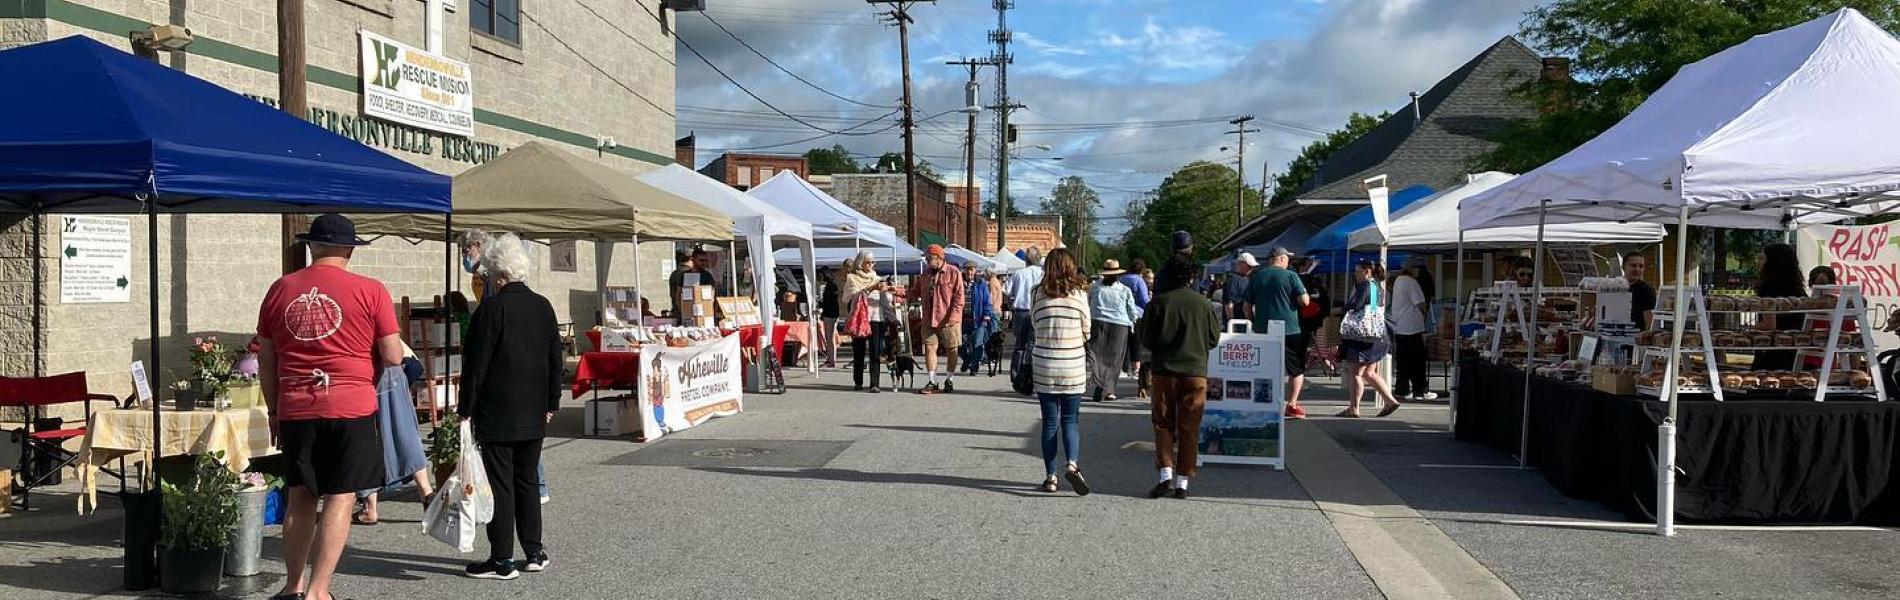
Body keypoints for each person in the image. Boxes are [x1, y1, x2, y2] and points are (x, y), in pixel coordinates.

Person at [257, 214, 404, 600]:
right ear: (350, 249)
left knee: (301, 496)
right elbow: (391, 354)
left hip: (295, 405)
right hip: (351, 405)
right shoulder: (371, 290)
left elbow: (266, 361)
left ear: (312, 246)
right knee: (341, 496)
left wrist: (274, 411)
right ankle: (319, 591)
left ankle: (293, 586)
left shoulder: (279, 289)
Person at [456, 233, 563, 580]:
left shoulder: (491, 309)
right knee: (527, 480)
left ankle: (502, 558)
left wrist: (465, 410)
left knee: (501, 483)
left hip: (498, 410)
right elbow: (554, 359)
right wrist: (552, 401)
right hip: (534, 410)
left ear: (499, 274)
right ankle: (534, 551)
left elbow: (476, 364)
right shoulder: (543, 306)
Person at [1137, 255, 1222, 499]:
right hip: (1196, 372)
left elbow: (1147, 338)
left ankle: (1165, 474)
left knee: (1163, 423)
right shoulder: (1203, 304)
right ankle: (1184, 481)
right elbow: (1213, 339)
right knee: (1189, 426)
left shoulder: (1158, 303)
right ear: (1192, 277)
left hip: (1165, 371)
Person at [1029, 248, 1092, 495]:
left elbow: (1034, 323)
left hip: (1044, 363)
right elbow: (1087, 329)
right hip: (1072, 364)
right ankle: (1073, 465)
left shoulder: (1036, 293)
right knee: (1070, 420)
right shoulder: (1079, 295)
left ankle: (1051, 476)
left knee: (1049, 422)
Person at [352, 341, 435, 526]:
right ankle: (426, 492)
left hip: (367, 372)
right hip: (395, 372)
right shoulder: (379, 311)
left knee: (366, 437)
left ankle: (369, 507)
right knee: (405, 430)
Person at [1243, 247, 1312, 420]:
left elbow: (1246, 306)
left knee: (1265, 367)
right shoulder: (1291, 276)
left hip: (1263, 330)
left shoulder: (1256, 277)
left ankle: (1264, 401)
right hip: (1290, 328)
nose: (1289, 261)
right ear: (1281, 259)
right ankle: (1292, 404)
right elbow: (1305, 301)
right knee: (1296, 370)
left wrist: (1254, 321)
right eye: (1287, 258)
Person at [1338, 260, 1403, 418]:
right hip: (1378, 334)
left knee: (1356, 372)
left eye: (1358, 271)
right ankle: (1390, 400)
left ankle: (1354, 408)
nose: (1356, 274)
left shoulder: (1366, 285)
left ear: (1366, 271)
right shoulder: (1378, 287)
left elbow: (1357, 305)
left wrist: (1340, 309)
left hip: (1363, 336)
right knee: (1369, 372)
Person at [907, 245, 966, 394]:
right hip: (928, 318)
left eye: (929, 258)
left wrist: (953, 316)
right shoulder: (925, 274)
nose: (927, 261)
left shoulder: (953, 272)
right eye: (926, 258)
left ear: (939, 257)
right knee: (929, 347)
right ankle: (932, 381)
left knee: (951, 349)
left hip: (948, 318)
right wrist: (897, 291)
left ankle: (949, 379)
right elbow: (915, 292)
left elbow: (959, 297)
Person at [1088, 259, 1139, 402]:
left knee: (1098, 356)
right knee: (1115, 359)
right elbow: (1131, 310)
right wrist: (1134, 322)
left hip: (1097, 322)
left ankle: (1100, 383)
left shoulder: (1095, 287)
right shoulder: (1124, 290)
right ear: (1118, 276)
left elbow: (1087, 303)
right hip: (1119, 325)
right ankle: (1110, 390)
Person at [841, 253, 892, 392]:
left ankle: (874, 383)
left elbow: (884, 301)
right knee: (859, 351)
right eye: (868, 262)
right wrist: (870, 289)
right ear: (861, 263)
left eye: (873, 262)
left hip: (876, 318)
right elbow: (846, 298)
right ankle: (858, 381)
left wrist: (889, 292)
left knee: (876, 352)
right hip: (859, 319)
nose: (871, 265)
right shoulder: (852, 278)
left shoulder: (876, 278)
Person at [1754, 243, 1808, 370]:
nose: (1758, 262)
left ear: (1773, 262)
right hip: (1797, 349)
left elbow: (1770, 325)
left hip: (1772, 351)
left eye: (1762, 258)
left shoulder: (1768, 289)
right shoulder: (1798, 290)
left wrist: (1749, 329)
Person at [1389, 258, 1433, 401]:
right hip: (1413, 327)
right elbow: (1420, 303)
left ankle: (1402, 389)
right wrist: (1424, 313)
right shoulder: (1411, 282)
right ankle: (1419, 390)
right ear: (1413, 269)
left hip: (1400, 326)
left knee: (1403, 361)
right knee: (1417, 360)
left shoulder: (1398, 281)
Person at [1005, 246, 1046, 358]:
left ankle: (1017, 373)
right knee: (1034, 344)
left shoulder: (1018, 274)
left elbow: (1006, 291)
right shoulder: (1043, 275)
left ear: (1025, 260)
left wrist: (1010, 305)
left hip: (1021, 312)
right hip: (1038, 312)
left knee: (1019, 346)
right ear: (1038, 259)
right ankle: (1031, 371)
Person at [961, 268, 998, 376]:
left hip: (978, 319)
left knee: (977, 344)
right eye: (967, 270)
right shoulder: (960, 282)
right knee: (960, 344)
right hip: (963, 320)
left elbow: (987, 300)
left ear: (975, 271)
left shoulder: (981, 284)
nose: (969, 273)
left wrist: (987, 313)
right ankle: (967, 359)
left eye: (971, 270)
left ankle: (974, 367)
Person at [817, 267, 841, 368]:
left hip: (830, 314)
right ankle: (831, 358)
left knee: (829, 338)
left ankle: (831, 359)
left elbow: (828, 301)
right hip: (833, 313)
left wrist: (820, 304)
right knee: (830, 338)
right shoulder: (832, 285)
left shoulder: (830, 286)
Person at [1223, 253, 1257, 321]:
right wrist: (1232, 324)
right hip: (1238, 322)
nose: (1251, 268)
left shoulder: (1247, 279)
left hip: (1245, 322)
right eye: (1249, 265)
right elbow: (1229, 304)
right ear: (1241, 263)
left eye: (1252, 266)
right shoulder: (1233, 279)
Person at [1626, 254, 1657, 325]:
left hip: (1636, 334)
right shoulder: (1616, 287)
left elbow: (1649, 323)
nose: (1637, 269)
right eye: (1633, 266)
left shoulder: (1647, 291)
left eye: (1641, 266)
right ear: (1623, 267)